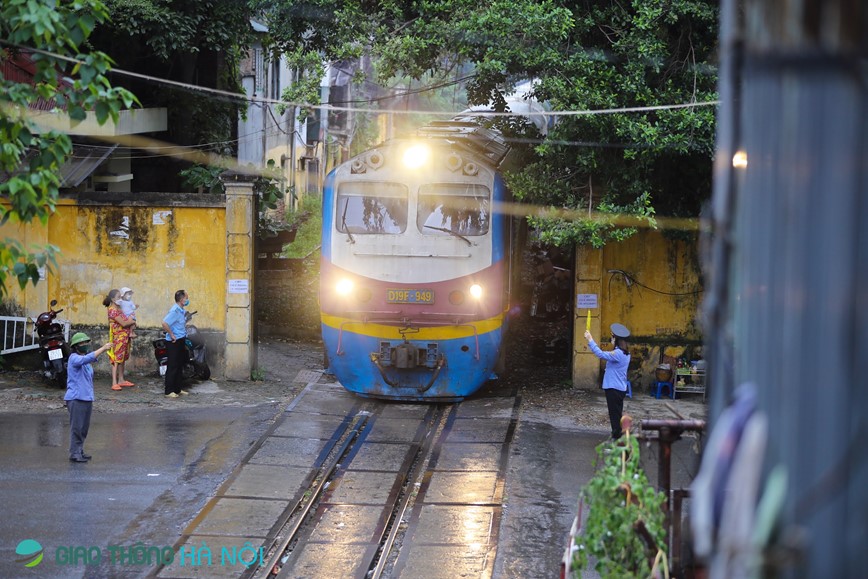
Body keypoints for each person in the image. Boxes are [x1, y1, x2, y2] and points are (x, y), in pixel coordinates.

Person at [65, 332, 112, 462]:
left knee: (84, 428)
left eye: (86, 342)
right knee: (77, 427)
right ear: (75, 346)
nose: (85, 345)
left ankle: (80, 450)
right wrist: (103, 348)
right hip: (76, 398)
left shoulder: (86, 360)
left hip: (86, 398)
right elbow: (86, 358)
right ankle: (74, 453)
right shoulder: (74, 358)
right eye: (81, 343)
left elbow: (89, 358)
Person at [585, 323, 632, 440]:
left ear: (616, 340)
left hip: (613, 389)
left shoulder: (617, 354)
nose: (611, 339)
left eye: (612, 337)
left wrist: (590, 339)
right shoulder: (626, 353)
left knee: (614, 416)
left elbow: (600, 354)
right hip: (619, 388)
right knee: (617, 414)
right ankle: (620, 437)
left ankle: (616, 440)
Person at [103, 288, 136, 390]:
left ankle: (121, 380)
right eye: (118, 297)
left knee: (122, 359)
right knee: (116, 359)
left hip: (125, 337)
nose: (121, 299)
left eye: (121, 297)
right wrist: (132, 321)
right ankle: (114, 382)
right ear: (113, 299)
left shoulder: (120, 309)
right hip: (118, 338)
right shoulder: (112, 311)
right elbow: (124, 323)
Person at [161, 289, 190, 398]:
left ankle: (177, 389)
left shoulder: (181, 310)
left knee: (179, 365)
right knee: (172, 366)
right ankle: (169, 391)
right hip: (174, 342)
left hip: (181, 339)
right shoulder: (175, 311)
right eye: (186, 298)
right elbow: (164, 323)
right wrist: (172, 334)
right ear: (182, 299)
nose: (187, 300)